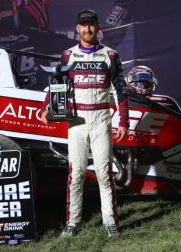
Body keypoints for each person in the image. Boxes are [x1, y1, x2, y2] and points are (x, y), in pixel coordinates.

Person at [40, 9, 129, 239]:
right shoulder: (68, 55)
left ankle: (110, 222)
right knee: (76, 172)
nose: (88, 29)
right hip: (76, 122)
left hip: (101, 121)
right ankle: (72, 222)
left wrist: (124, 121)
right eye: (83, 25)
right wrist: (46, 108)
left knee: (104, 173)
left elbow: (121, 89)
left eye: (92, 25)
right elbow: (55, 84)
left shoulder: (110, 55)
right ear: (77, 28)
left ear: (98, 28)